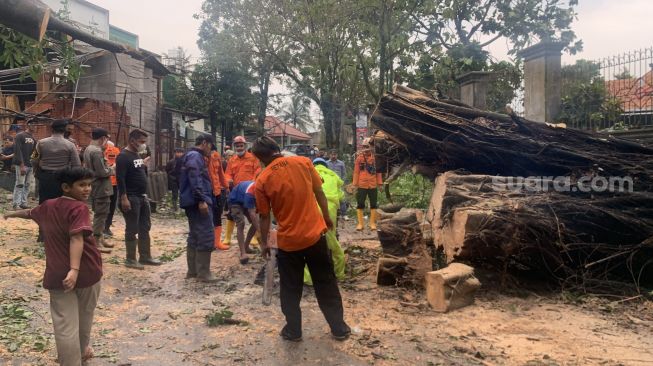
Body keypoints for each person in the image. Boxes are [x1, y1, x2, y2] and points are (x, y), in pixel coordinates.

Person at [253, 136, 350, 342]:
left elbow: (263, 216)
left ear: (260, 158)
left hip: (288, 244)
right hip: (315, 236)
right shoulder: (304, 163)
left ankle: (293, 330)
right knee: (326, 283)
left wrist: (264, 244)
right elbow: (319, 192)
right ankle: (339, 328)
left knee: (290, 287)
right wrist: (325, 217)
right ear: (277, 149)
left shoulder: (262, 179)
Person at [3, 167, 103, 365]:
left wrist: (11, 214)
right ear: (66, 187)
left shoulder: (48, 205)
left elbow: (30, 213)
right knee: (84, 316)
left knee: (65, 324)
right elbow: (76, 238)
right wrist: (74, 270)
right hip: (87, 271)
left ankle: (71, 360)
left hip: (57, 274)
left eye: (89, 185)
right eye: (81, 185)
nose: (87, 189)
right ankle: (82, 351)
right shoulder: (79, 208)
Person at [115, 129, 161, 269]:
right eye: (141, 141)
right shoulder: (123, 156)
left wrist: (144, 165)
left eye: (144, 142)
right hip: (130, 197)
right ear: (132, 141)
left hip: (141, 197)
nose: (144, 144)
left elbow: (138, 171)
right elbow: (120, 178)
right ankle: (130, 259)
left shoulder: (136, 155)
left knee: (144, 227)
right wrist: (124, 198)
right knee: (132, 228)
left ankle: (145, 256)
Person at [179, 134, 219, 282]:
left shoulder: (190, 155)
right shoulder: (195, 156)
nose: (211, 151)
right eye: (210, 147)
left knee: (195, 234)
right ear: (204, 143)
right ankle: (203, 273)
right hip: (198, 202)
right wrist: (201, 199)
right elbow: (195, 178)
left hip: (192, 201)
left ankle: (193, 271)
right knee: (206, 234)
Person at [304, 158, 345, 285]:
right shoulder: (334, 176)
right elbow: (341, 196)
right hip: (329, 207)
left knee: (308, 241)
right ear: (326, 166)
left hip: (311, 206)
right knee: (332, 240)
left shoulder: (308, 173)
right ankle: (339, 273)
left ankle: (308, 279)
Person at [223, 136, 261, 246]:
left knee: (253, 214)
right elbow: (227, 174)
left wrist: (253, 185)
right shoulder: (232, 160)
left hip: (250, 192)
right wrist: (228, 180)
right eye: (237, 146)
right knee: (231, 215)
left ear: (245, 146)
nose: (239, 148)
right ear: (234, 147)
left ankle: (254, 238)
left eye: (241, 145)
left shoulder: (253, 158)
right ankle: (227, 238)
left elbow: (257, 172)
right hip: (236, 192)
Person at [32, 119, 82, 205]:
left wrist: (36, 170)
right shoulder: (70, 145)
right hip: (62, 178)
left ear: (52, 129)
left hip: (45, 177)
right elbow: (77, 165)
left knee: (44, 202)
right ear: (65, 129)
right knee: (60, 203)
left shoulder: (41, 143)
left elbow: (33, 159)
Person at [83, 128, 115, 254]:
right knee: (101, 214)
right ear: (103, 138)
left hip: (95, 185)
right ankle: (96, 241)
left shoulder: (89, 149)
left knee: (99, 212)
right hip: (101, 186)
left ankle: (100, 238)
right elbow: (102, 172)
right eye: (106, 139)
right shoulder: (96, 151)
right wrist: (112, 169)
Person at [353, 138, 382, 231]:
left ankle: (372, 223)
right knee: (360, 203)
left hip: (373, 185)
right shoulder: (359, 158)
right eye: (364, 147)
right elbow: (356, 172)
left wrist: (380, 183)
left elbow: (378, 172)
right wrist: (355, 184)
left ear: (371, 147)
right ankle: (360, 224)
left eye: (367, 147)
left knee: (373, 204)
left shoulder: (375, 158)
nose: (365, 149)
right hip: (361, 185)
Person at [228, 180, 260, 264]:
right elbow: (252, 213)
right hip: (235, 201)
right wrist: (260, 231)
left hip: (245, 199)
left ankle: (246, 246)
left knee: (256, 222)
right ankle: (243, 253)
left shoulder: (263, 190)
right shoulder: (250, 192)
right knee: (241, 224)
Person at [207, 144, 229, 250]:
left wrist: (226, 186)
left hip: (217, 192)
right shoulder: (204, 159)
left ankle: (217, 242)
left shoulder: (217, 158)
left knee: (217, 217)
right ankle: (210, 242)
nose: (213, 154)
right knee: (209, 217)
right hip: (208, 192)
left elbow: (220, 174)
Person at [12, 123, 36, 210]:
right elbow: (17, 151)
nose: (35, 126)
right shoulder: (20, 135)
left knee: (27, 184)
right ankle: (16, 204)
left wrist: (34, 164)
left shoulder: (33, 138)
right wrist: (22, 165)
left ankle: (23, 203)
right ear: (29, 125)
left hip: (30, 165)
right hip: (21, 165)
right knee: (20, 184)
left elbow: (35, 153)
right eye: (34, 124)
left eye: (36, 124)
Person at [103, 141, 120, 237]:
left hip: (106, 182)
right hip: (112, 183)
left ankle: (105, 228)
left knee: (106, 206)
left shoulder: (102, 152)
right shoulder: (117, 151)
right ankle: (106, 228)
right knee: (111, 206)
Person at [326, 149, 347, 218]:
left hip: (339, 184)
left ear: (337, 155)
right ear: (329, 155)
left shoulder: (341, 163)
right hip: (330, 185)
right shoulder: (326, 163)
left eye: (335, 154)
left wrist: (342, 182)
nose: (333, 156)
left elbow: (344, 174)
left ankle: (344, 214)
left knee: (342, 199)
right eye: (332, 154)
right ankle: (331, 213)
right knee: (330, 198)